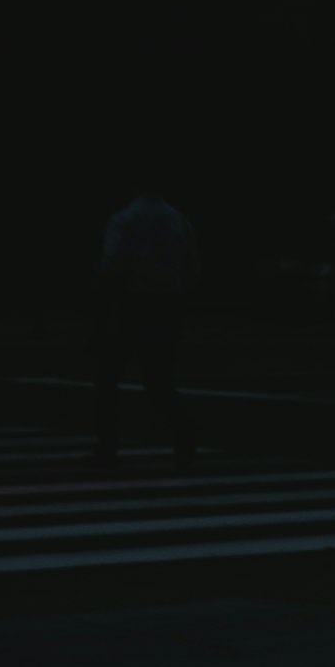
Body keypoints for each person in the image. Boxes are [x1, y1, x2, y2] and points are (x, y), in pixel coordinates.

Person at [91, 188, 201, 465]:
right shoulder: (179, 220)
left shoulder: (124, 219)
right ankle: (185, 439)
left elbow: (110, 265)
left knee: (108, 377)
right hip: (168, 304)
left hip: (131, 301)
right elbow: (192, 267)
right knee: (158, 379)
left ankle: (108, 445)